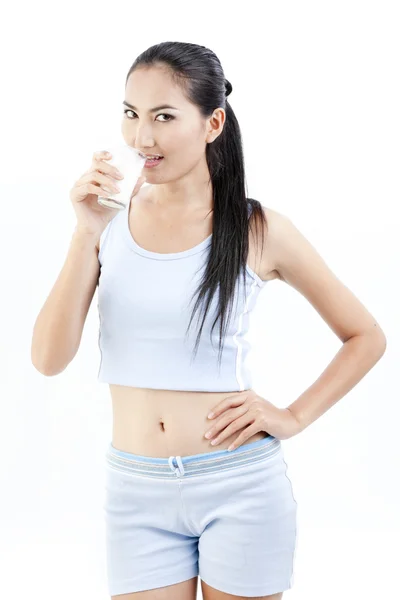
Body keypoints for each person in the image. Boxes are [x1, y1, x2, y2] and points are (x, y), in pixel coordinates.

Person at [31, 41, 387, 600]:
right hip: (135, 490)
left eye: (164, 117)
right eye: (131, 114)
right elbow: (48, 360)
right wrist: (83, 232)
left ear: (212, 122)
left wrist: (292, 415)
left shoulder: (257, 228)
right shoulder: (107, 227)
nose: (142, 138)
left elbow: (365, 336)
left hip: (239, 485)